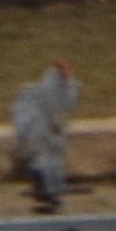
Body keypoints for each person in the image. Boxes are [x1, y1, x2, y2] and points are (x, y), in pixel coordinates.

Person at [11, 60, 79, 212]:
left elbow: (67, 103)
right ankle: (45, 192)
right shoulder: (32, 96)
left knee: (53, 161)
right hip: (38, 137)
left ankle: (52, 194)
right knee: (42, 161)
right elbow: (23, 117)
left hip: (50, 138)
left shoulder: (59, 94)